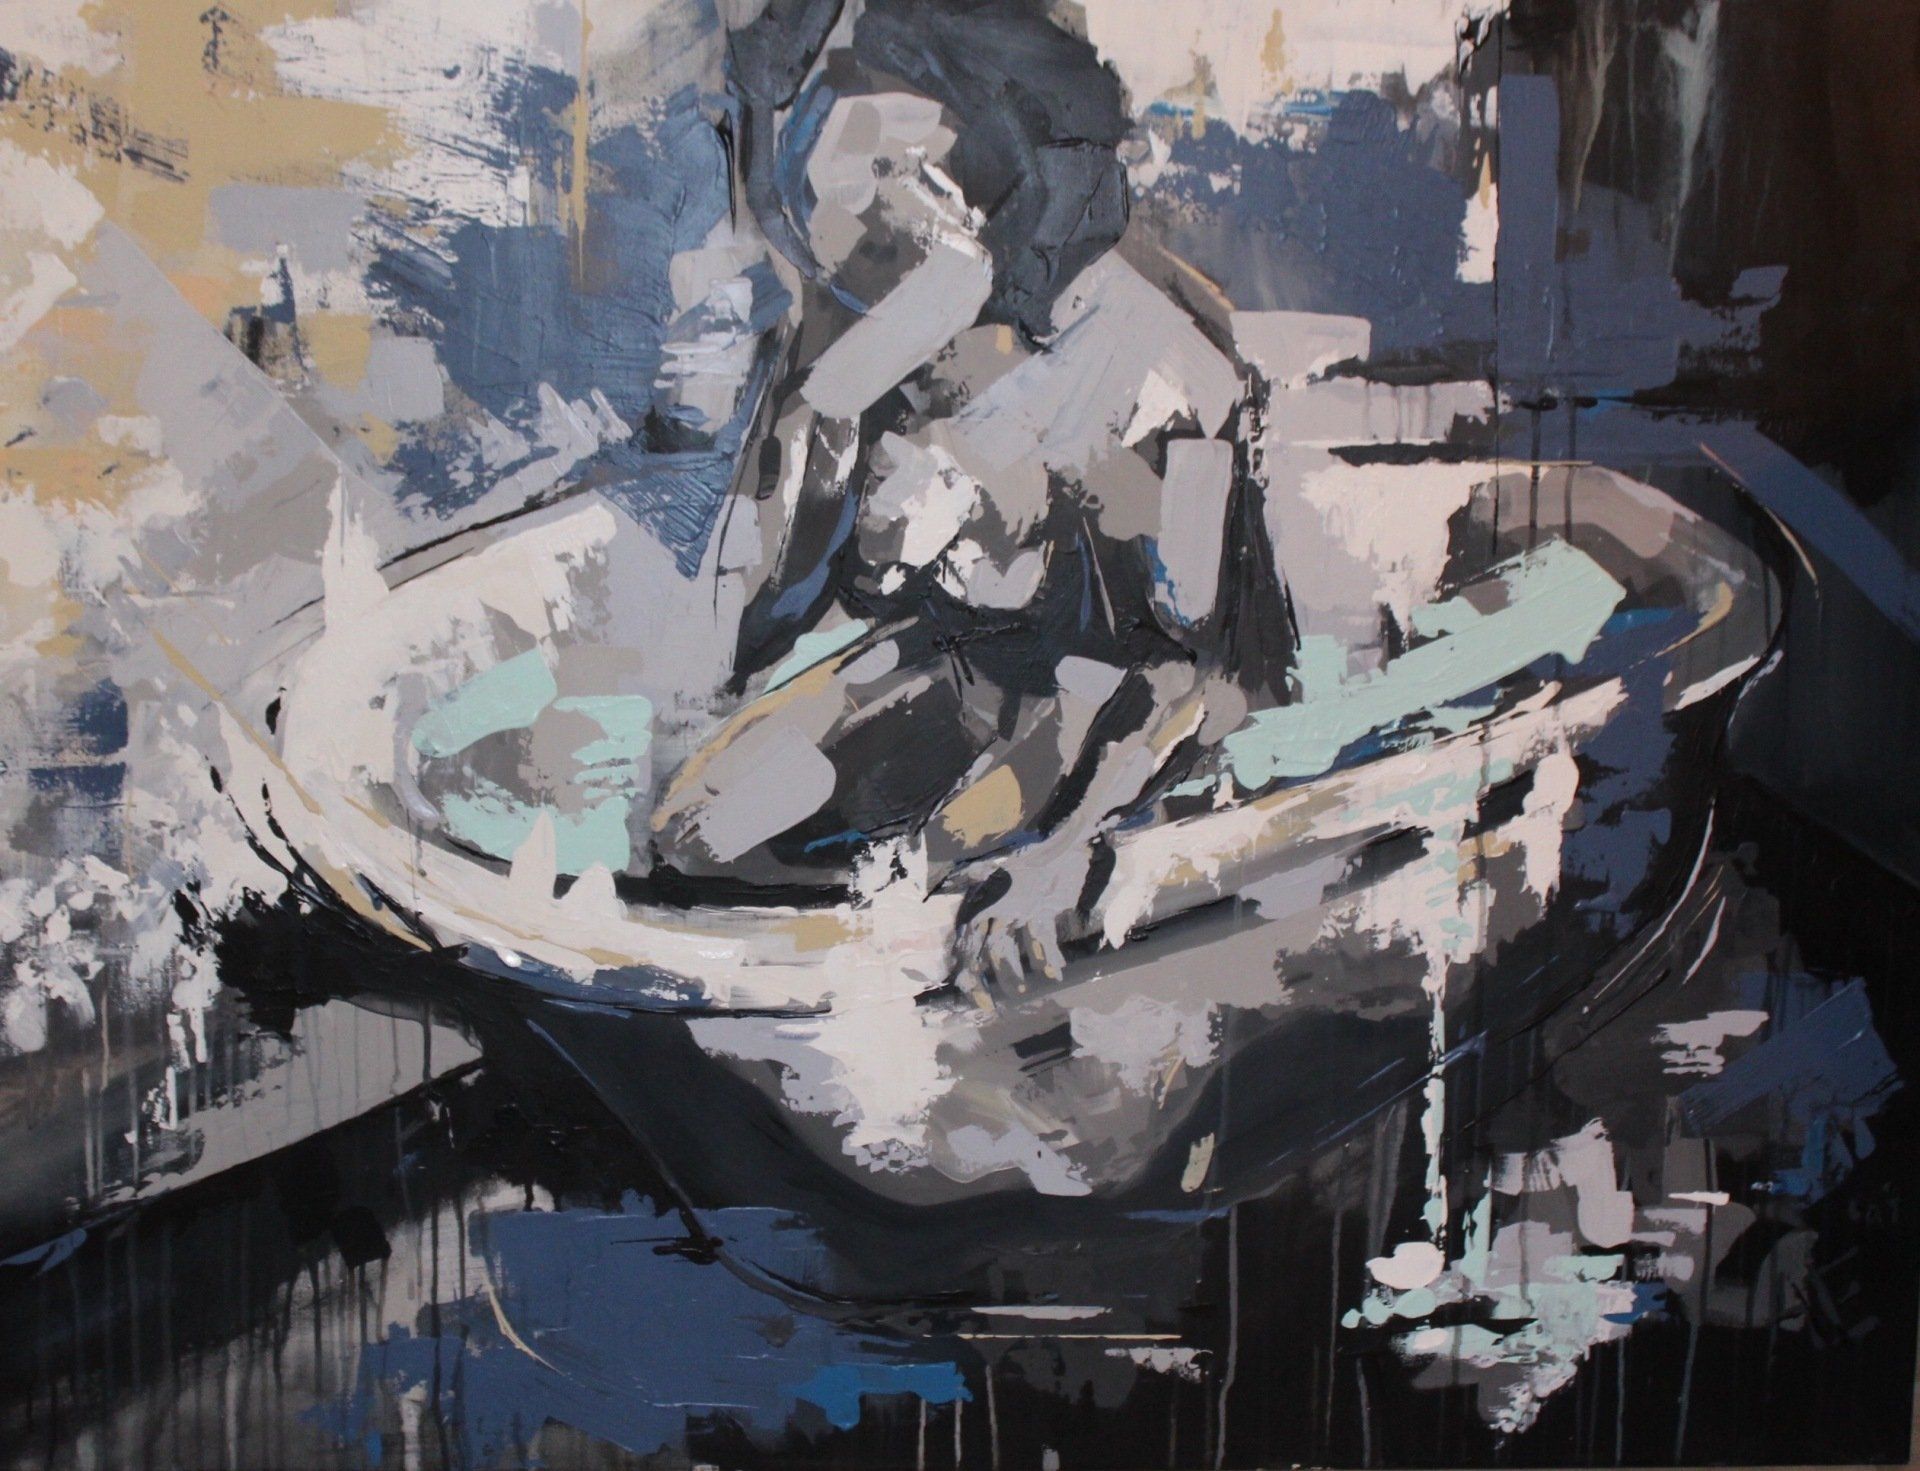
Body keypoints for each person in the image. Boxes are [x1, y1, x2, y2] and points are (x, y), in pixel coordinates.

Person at [649, 0, 1298, 981]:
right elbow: (757, 621)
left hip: (1119, 708)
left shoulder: (1165, 377)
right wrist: (832, 392)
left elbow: (1194, 684)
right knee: (695, 831)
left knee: (927, 874)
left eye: (894, 174)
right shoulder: (881, 332)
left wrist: (1065, 850)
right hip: (964, 670)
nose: (847, 219)